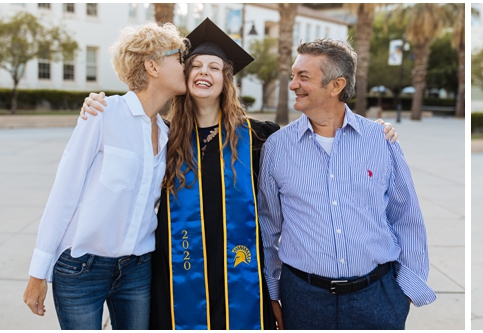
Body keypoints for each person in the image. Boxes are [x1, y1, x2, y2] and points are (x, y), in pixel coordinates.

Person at [79, 19, 400, 330]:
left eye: (214, 67)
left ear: (225, 80)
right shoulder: (162, 134)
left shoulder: (260, 137)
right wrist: (96, 104)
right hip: (176, 274)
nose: (204, 72)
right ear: (184, 76)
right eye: (195, 65)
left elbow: (312, 156)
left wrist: (376, 130)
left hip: (240, 275)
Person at [258, 38, 434, 330]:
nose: (292, 85)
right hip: (303, 299)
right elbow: (268, 227)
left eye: (303, 77)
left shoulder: (380, 141)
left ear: (336, 85)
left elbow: (407, 216)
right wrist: (273, 294)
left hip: (377, 297)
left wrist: (406, 292)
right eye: (293, 76)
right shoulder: (276, 147)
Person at [22, 22, 187, 329]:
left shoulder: (166, 135)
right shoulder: (102, 114)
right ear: (152, 66)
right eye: (178, 57)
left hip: (138, 270)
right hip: (82, 270)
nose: (185, 65)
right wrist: (37, 273)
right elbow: (63, 193)